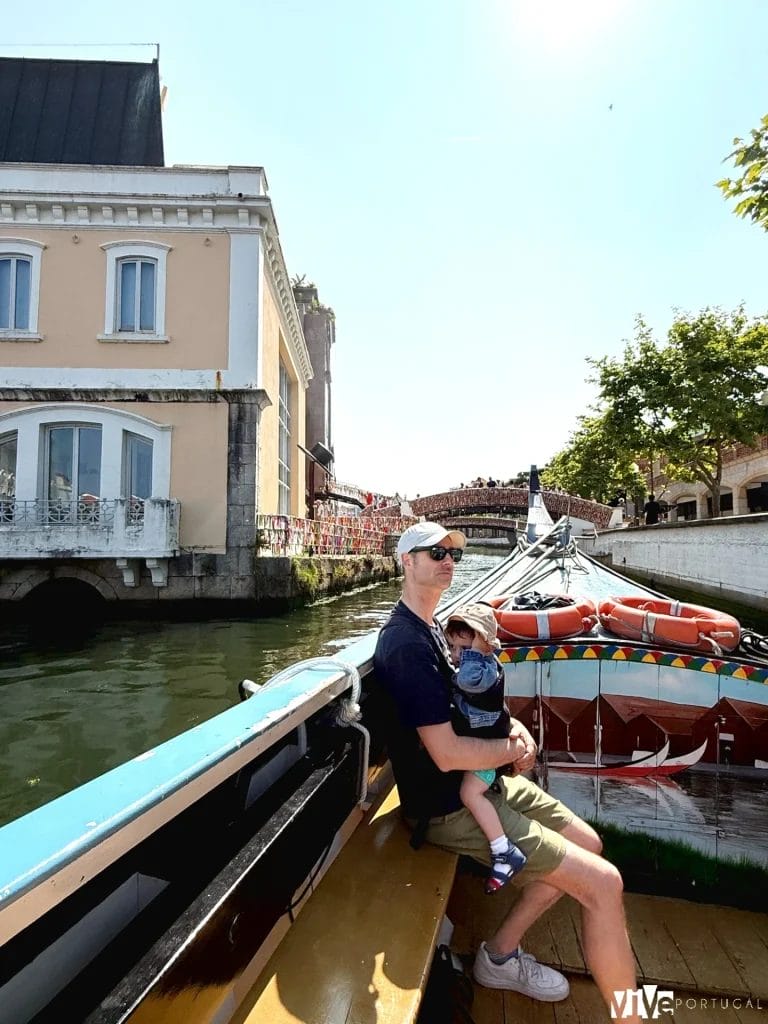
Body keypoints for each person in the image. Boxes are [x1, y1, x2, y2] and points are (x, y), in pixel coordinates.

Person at [374, 521, 640, 1018]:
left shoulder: (432, 630)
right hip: (448, 805)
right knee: (604, 884)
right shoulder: (406, 646)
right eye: (434, 552)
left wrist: (514, 728)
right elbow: (448, 754)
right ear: (406, 562)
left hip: (478, 786)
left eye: (452, 551)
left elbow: (466, 709)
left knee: (591, 846)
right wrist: (511, 747)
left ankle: (498, 957)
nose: (447, 559)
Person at [444, 603, 527, 894]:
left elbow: (466, 680)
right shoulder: (479, 663)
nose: (455, 656)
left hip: (489, 753)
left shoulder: (482, 670)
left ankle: (504, 852)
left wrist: (475, 651)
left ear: (484, 645)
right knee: (470, 791)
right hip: (489, 747)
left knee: (470, 793)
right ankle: (503, 850)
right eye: (452, 647)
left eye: (461, 648)